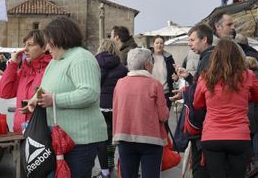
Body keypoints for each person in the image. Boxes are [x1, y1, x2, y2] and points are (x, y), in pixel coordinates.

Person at [35, 17, 108, 178]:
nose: (47, 47)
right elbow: (45, 89)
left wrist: (54, 100)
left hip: (80, 140)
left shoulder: (82, 58)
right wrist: (34, 100)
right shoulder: (55, 62)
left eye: (48, 42)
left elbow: (89, 93)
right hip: (61, 139)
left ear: (58, 38)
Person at [194, 39, 258, 177]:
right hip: (239, 136)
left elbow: (197, 104)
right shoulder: (247, 75)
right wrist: (244, 98)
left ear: (214, 57)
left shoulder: (205, 78)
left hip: (212, 136)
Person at [112, 48, 169, 178]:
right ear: (147, 65)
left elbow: (116, 111)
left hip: (124, 137)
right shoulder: (155, 85)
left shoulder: (120, 83)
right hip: (151, 140)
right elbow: (163, 116)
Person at [172, 24, 215, 178]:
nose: (189, 44)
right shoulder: (206, 56)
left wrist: (185, 93)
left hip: (204, 123)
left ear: (204, 39)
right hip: (207, 123)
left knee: (200, 168)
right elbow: (201, 87)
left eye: (192, 40)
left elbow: (203, 92)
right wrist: (189, 78)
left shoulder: (209, 57)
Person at [0, 29, 51, 133]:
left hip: (40, 132)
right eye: (25, 45)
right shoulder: (25, 70)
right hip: (20, 131)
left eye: (30, 45)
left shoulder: (50, 69)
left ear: (44, 47)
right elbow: (4, 92)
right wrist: (13, 64)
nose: (25, 49)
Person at [95, 39, 128, 178]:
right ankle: (116, 165)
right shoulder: (122, 68)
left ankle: (105, 171)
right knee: (115, 138)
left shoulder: (95, 64)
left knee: (102, 140)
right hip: (116, 107)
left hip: (100, 107)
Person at [151, 35, 177, 109]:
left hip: (165, 93)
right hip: (151, 93)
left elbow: (175, 74)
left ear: (164, 45)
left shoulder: (169, 58)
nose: (159, 45)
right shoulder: (147, 57)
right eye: (157, 43)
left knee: (164, 118)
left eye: (161, 43)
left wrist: (176, 77)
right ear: (153, 44)